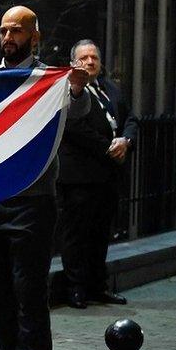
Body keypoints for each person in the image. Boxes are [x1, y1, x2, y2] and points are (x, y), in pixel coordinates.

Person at [0, 6, 90, 350]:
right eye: (2, 30)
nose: (7, 37)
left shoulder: (48, 81)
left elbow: (80, 109)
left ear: (34, 36)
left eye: (16, 31)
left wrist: (74, 88)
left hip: (33, 205)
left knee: (29, 298)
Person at [57, 39, 137, 309]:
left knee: (101, 233)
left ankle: (97, 285)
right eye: (84, 58)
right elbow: (73, 127)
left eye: (94, 57)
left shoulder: (110, 89)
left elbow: (131, 119)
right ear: (74, 63)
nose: (90, 62)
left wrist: (126, 140)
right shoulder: (69, 90)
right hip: (79, 175)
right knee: (76, 235)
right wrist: (109, 147)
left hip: (107, 175)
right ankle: (76, 288)